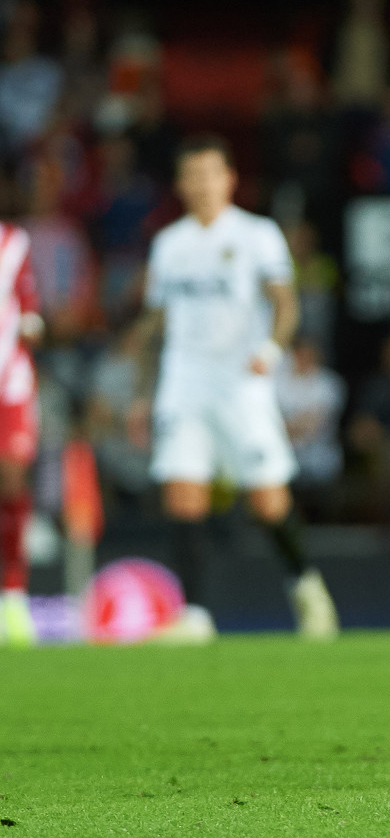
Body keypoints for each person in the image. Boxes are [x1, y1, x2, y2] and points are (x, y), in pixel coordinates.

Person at [128, 134, 338, 642]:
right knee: (184, 493)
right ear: (180, 184)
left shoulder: (256, 234)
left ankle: (305, 584)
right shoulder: (169, 244)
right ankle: (194, 615)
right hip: (184, 382)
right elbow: (158, 320)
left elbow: (285, 301)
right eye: (192, 175)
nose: (202, 184)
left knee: (268, 500)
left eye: (210, 174)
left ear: (229, 179)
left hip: (241, 383)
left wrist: (271, 349)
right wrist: (140, 390)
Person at [0, 221, 42, 646]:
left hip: (9, 383)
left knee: (12, 479)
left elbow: (29, 304)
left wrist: (32, 323)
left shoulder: (13, 241)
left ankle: (13, 595)